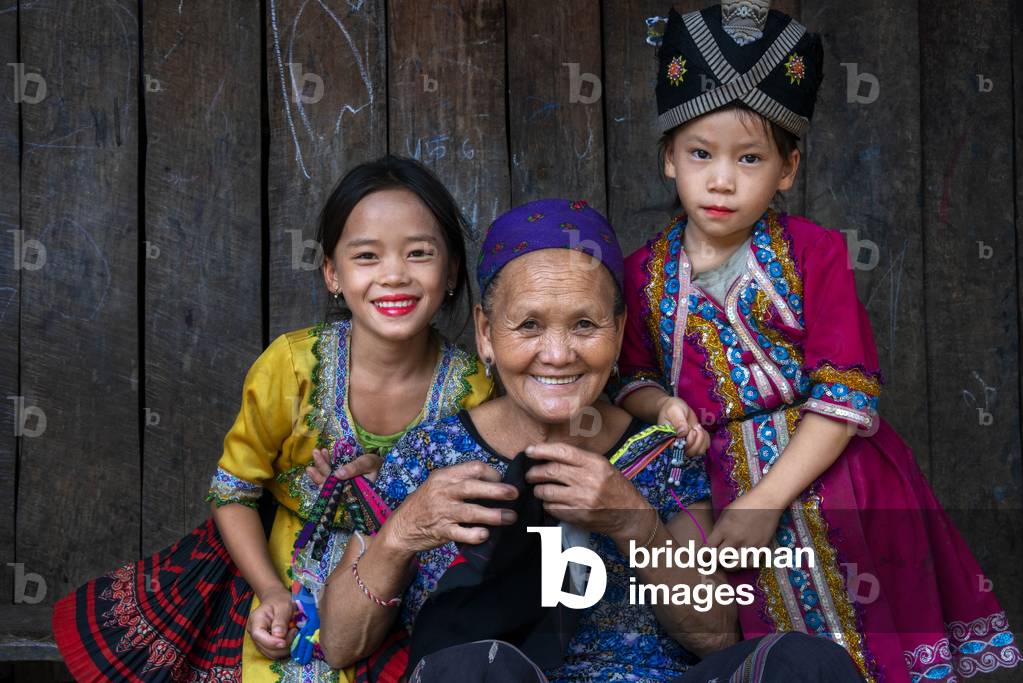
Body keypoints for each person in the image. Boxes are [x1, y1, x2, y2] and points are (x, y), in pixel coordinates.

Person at [612, 3, 1021, 683]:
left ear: (787, 170)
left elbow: (843, 391)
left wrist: (766, 499)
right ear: (666, 158)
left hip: (835, 481)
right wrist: (661, 405)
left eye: (749, 158)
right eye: (699, 154)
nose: (721, 179)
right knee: (763, 655)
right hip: (711, 484)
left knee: (869, 644)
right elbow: (632, 374)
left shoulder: (814, 252)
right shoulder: (640, 273)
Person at [311, 198, 867, 683]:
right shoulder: (427, 458)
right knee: (469, 669)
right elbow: (340, 644)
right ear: (486, 332)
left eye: (584, 325)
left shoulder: (662, 456)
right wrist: (404, 530)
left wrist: (633, 521)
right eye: (527, 326)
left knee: (805, 663)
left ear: (620, 331)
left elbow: (717, 634)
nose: (558, 354)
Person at [51, 155, 493, 682]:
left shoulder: (474, 390)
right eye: (367, 256)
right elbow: (234, 490)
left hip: (407, 586)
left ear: (451, 275)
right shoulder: (291, 368)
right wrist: (270, 592)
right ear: (333, 273)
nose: (394, 274)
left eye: (419, 254)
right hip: (278, 569)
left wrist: (388, 488)